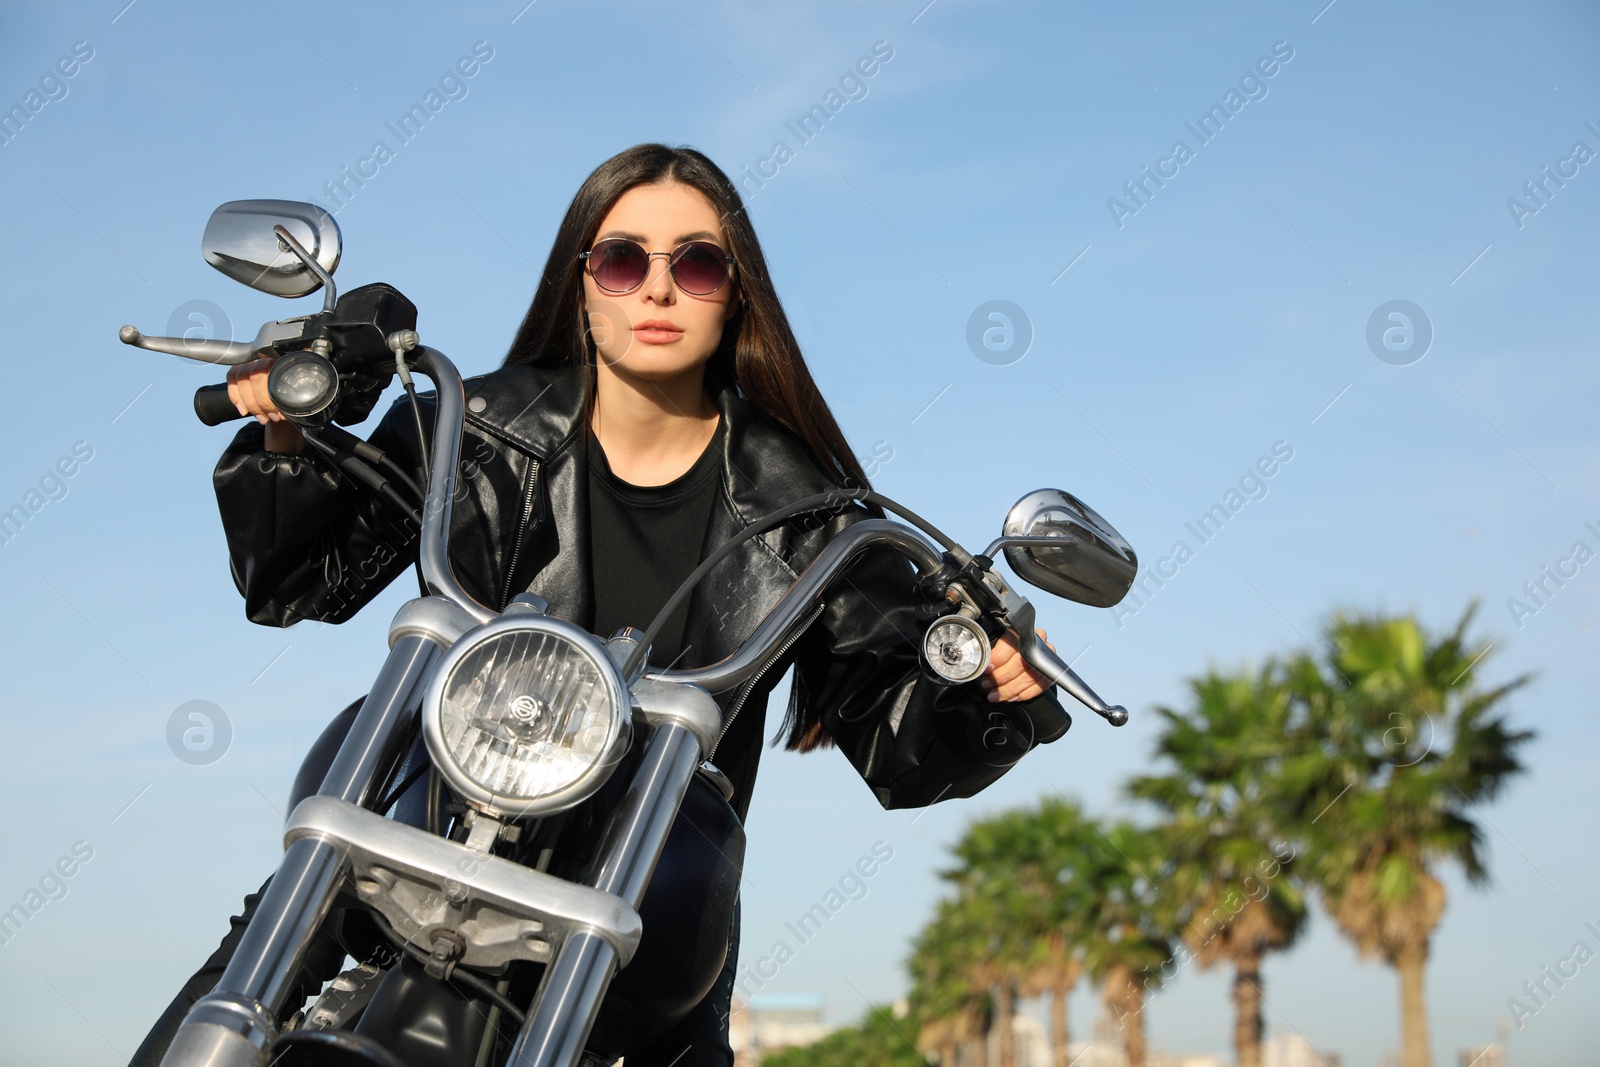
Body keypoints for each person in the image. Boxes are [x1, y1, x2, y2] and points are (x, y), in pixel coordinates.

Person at [131, 143, 1068, 1067]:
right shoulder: (477, 423)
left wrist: (993, 688)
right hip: (430, 799)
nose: (657, 289)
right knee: (254, 960)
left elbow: (896, 743)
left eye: (696, 264)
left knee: (688, 1027)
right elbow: (301, 581)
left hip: (656, 861)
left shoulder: (811, 510)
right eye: (624, 260)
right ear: (582, 281)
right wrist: (288, 437)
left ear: (737, 291)